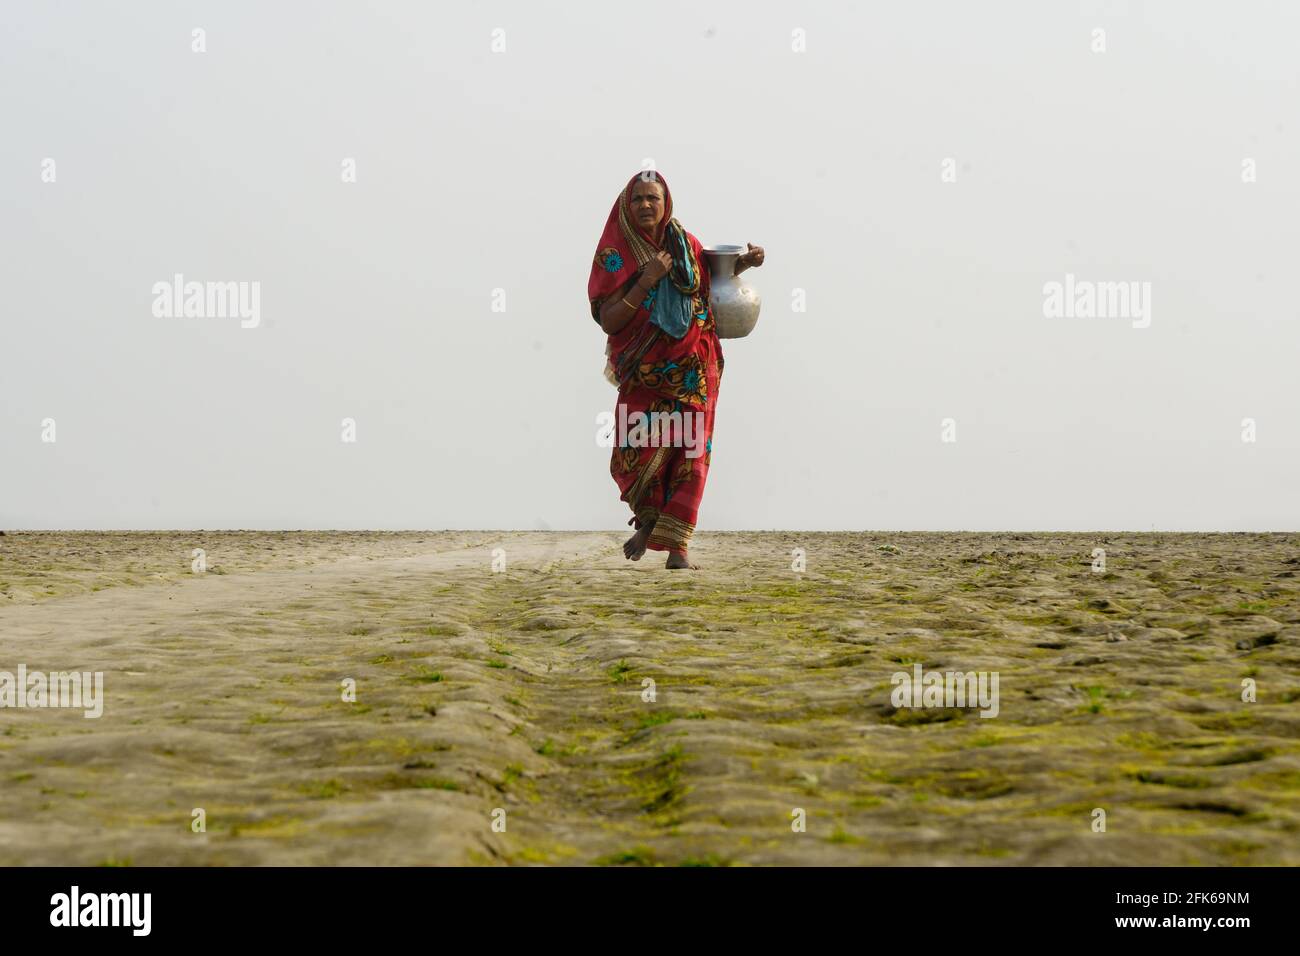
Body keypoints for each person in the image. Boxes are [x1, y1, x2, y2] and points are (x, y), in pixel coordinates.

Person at [587, 170, 764, 569]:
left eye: (654, 198)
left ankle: (678, 550)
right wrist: (646, 280)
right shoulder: (613, 254)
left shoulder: (684, 243)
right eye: (638, 200)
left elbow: (710, 278)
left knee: (691, 454)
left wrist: (745, 264)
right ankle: (649, 523)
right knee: (640, 449)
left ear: (667, 204)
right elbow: (609, 320)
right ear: (625, 207)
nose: (647, 205)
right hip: (644, 375)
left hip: (694, 372)